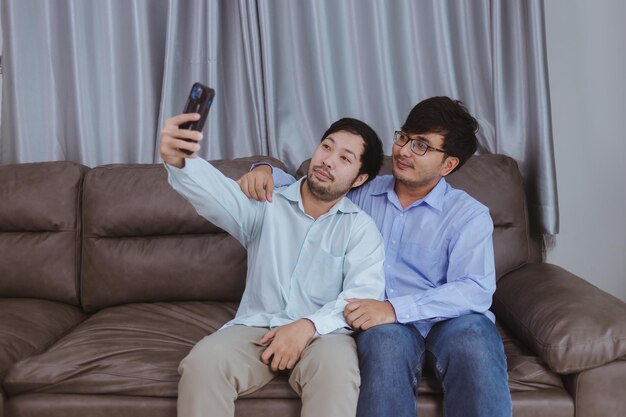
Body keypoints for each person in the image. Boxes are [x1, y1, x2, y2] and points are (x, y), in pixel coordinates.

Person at [238, 96, 512, 417]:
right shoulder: (362, 189)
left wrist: (395, 308)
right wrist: (265, 170)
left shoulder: (468, 214)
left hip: (449, 321)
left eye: (421, 146)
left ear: (448, 164)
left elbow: (474, 290)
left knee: (475, 338)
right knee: (385, 343)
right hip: (381, 327)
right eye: (404, 138)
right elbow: (309, 184)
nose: (404, 151)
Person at [160, 114, 386, 417]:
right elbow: (216, 194)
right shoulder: (266, 203)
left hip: (324, 335)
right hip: (256, 326)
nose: (328, 160)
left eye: (345, 158)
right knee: (203, 362)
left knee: (337, 372)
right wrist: (180, 160)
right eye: (326, 147)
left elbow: (361, 298)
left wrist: (307, 326)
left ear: (359, 178)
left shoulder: (361, 228)